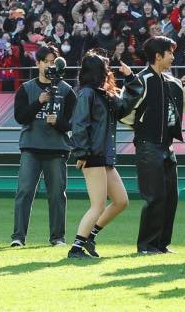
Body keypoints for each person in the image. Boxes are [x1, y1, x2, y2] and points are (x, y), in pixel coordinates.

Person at [118, 36, 185, 254]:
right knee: (154, 197)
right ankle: (146, 245)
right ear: (158, 56)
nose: (173, 57)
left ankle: (162, 244)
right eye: (170, 53)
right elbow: (124, 110)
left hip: (167, 146)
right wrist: (140, 126)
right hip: (148, 145)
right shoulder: (142, 80)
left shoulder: (172, 82)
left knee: (170, 198)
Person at [11, 44, 77, 247]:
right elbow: (20, 117)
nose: (49, 65)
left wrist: (57, 122)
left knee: (57, 195)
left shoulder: (67, 91)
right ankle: (18, 238)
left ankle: (58, 238)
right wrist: (39, 102)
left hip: (57, 150)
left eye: (52, 61)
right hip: (31, 148)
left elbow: (72, 125)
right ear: (38, 63)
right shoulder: (26, 88)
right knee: (24, 192)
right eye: (45, 61)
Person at [67, 50, 130, 259]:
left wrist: (131, 80)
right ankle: (76, 247)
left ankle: (89, 237)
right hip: (94, 154)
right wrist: (82, 153)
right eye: (105, 68)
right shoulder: (87, 94)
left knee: (121, 201)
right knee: (98, 205)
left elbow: (124, 108)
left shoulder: (102, 94)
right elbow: (79, 125)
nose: (108, 71)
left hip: (102, 155)